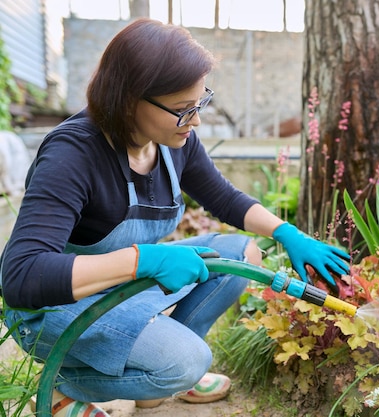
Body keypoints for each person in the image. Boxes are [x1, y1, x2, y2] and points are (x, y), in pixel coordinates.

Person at [0, 18, 350, 417]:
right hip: (55, 307)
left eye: (200, 103)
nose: (196, 120)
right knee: (186, 361)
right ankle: (65, 386)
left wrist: (288, 233)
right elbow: (22, 278)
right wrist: (145, 260)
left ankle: (157, 370)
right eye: (184, 110)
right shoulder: (73, 155)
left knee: (241, 255)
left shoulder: (172, 140)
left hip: (118, 285)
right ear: (130, 98)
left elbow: (224, 198)